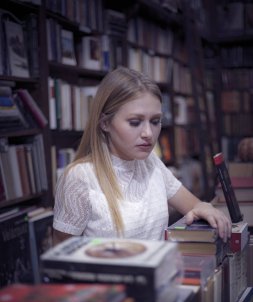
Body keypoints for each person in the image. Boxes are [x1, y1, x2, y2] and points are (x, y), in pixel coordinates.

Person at [53, 67, 231, 245]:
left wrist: (205, 207)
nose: (148, 133)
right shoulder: (80, 177)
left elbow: (193, 205)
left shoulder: (150, 162)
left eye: (155, 121)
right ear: (105, 123)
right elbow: (62, 259)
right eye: (135, 122)